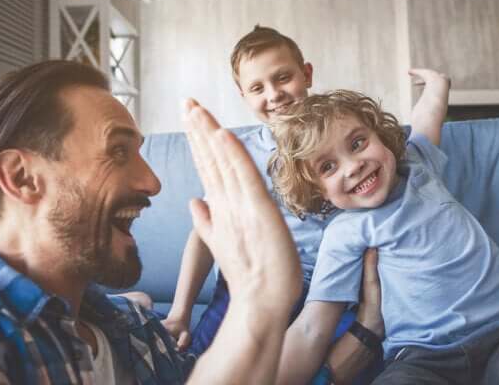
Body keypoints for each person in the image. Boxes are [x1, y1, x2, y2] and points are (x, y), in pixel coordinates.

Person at [0, 59, 303, 384]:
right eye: (118, 151)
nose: (152, 183)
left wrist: (260, 298)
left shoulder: (137, 328)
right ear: (22, 177)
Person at [268, 69, 499, 385]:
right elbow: (313, 327)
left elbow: (427, 120)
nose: (353, 166)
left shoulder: (417, 165)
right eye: (328, 166)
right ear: (318, 193)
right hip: (421, 357)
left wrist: (437, 85)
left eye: (357, 143)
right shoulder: (343, 233)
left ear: (382, 137)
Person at [163, 25, 384, 383]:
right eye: (257, 88)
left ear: (306, 74)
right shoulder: (243, 153)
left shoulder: (341, 139)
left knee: (333, 369)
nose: (275, 95)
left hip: (330, 289)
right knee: (197, 367)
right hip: (253, 282)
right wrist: (180, 312)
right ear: (243, 95)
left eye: (283, 78)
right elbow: (205, 234)